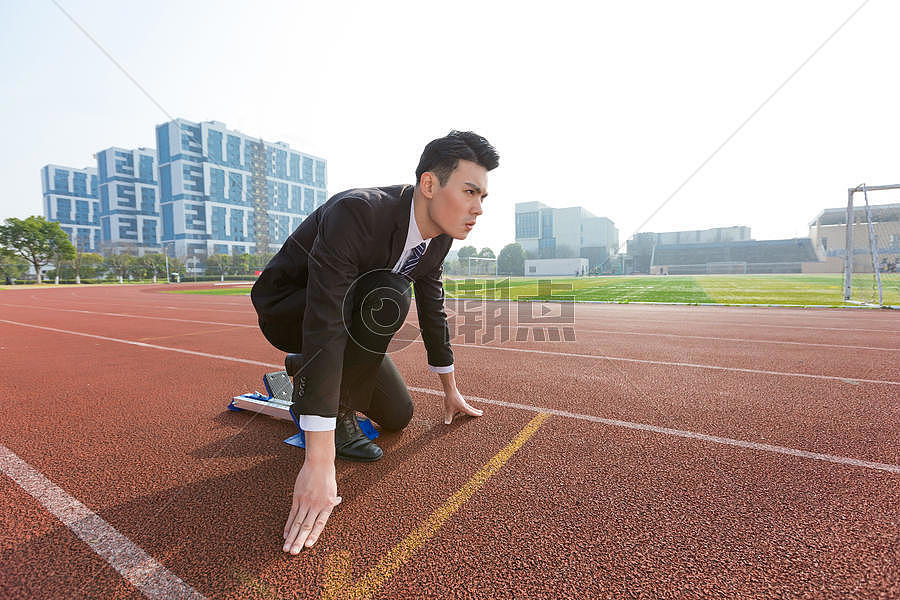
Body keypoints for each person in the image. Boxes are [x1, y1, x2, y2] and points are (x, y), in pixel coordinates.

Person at [250, 130, 500, 555]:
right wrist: (319, 458)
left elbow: (434, 309)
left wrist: (449, 387)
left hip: (347, 315)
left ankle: (302, 369)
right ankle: (328, 399)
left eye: (484, 197)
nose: (478, 208)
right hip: (291, 310)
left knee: (399, 415)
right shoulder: (358, 213)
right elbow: (325, 319)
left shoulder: (439, 240)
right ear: (429, 184)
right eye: (470, 191)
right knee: (389, 293)